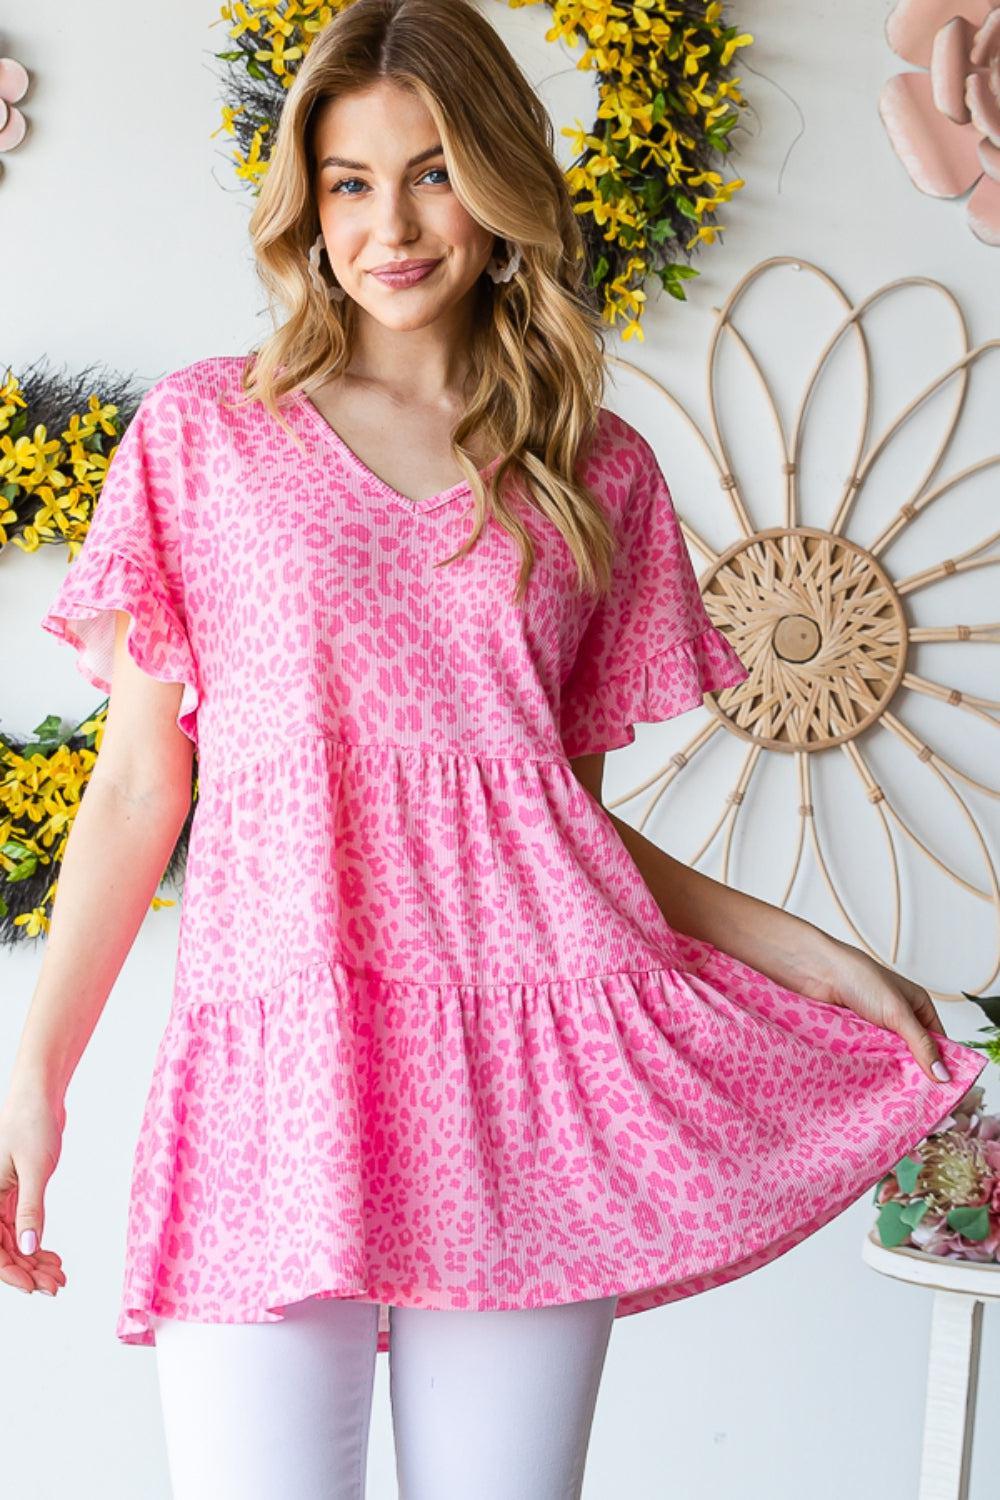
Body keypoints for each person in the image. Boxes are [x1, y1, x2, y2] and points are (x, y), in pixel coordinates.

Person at [2, 0, 988, 1495]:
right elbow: (143, 781)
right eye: (349, 180)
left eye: (435, 170)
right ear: (306, 200)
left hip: (523, 1091)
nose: (390, 225)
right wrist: (36, 1079)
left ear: (504, 181)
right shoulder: (207, 438)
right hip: (282, 1071)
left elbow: (557, 829)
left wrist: (812, 954)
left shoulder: (595, 470)